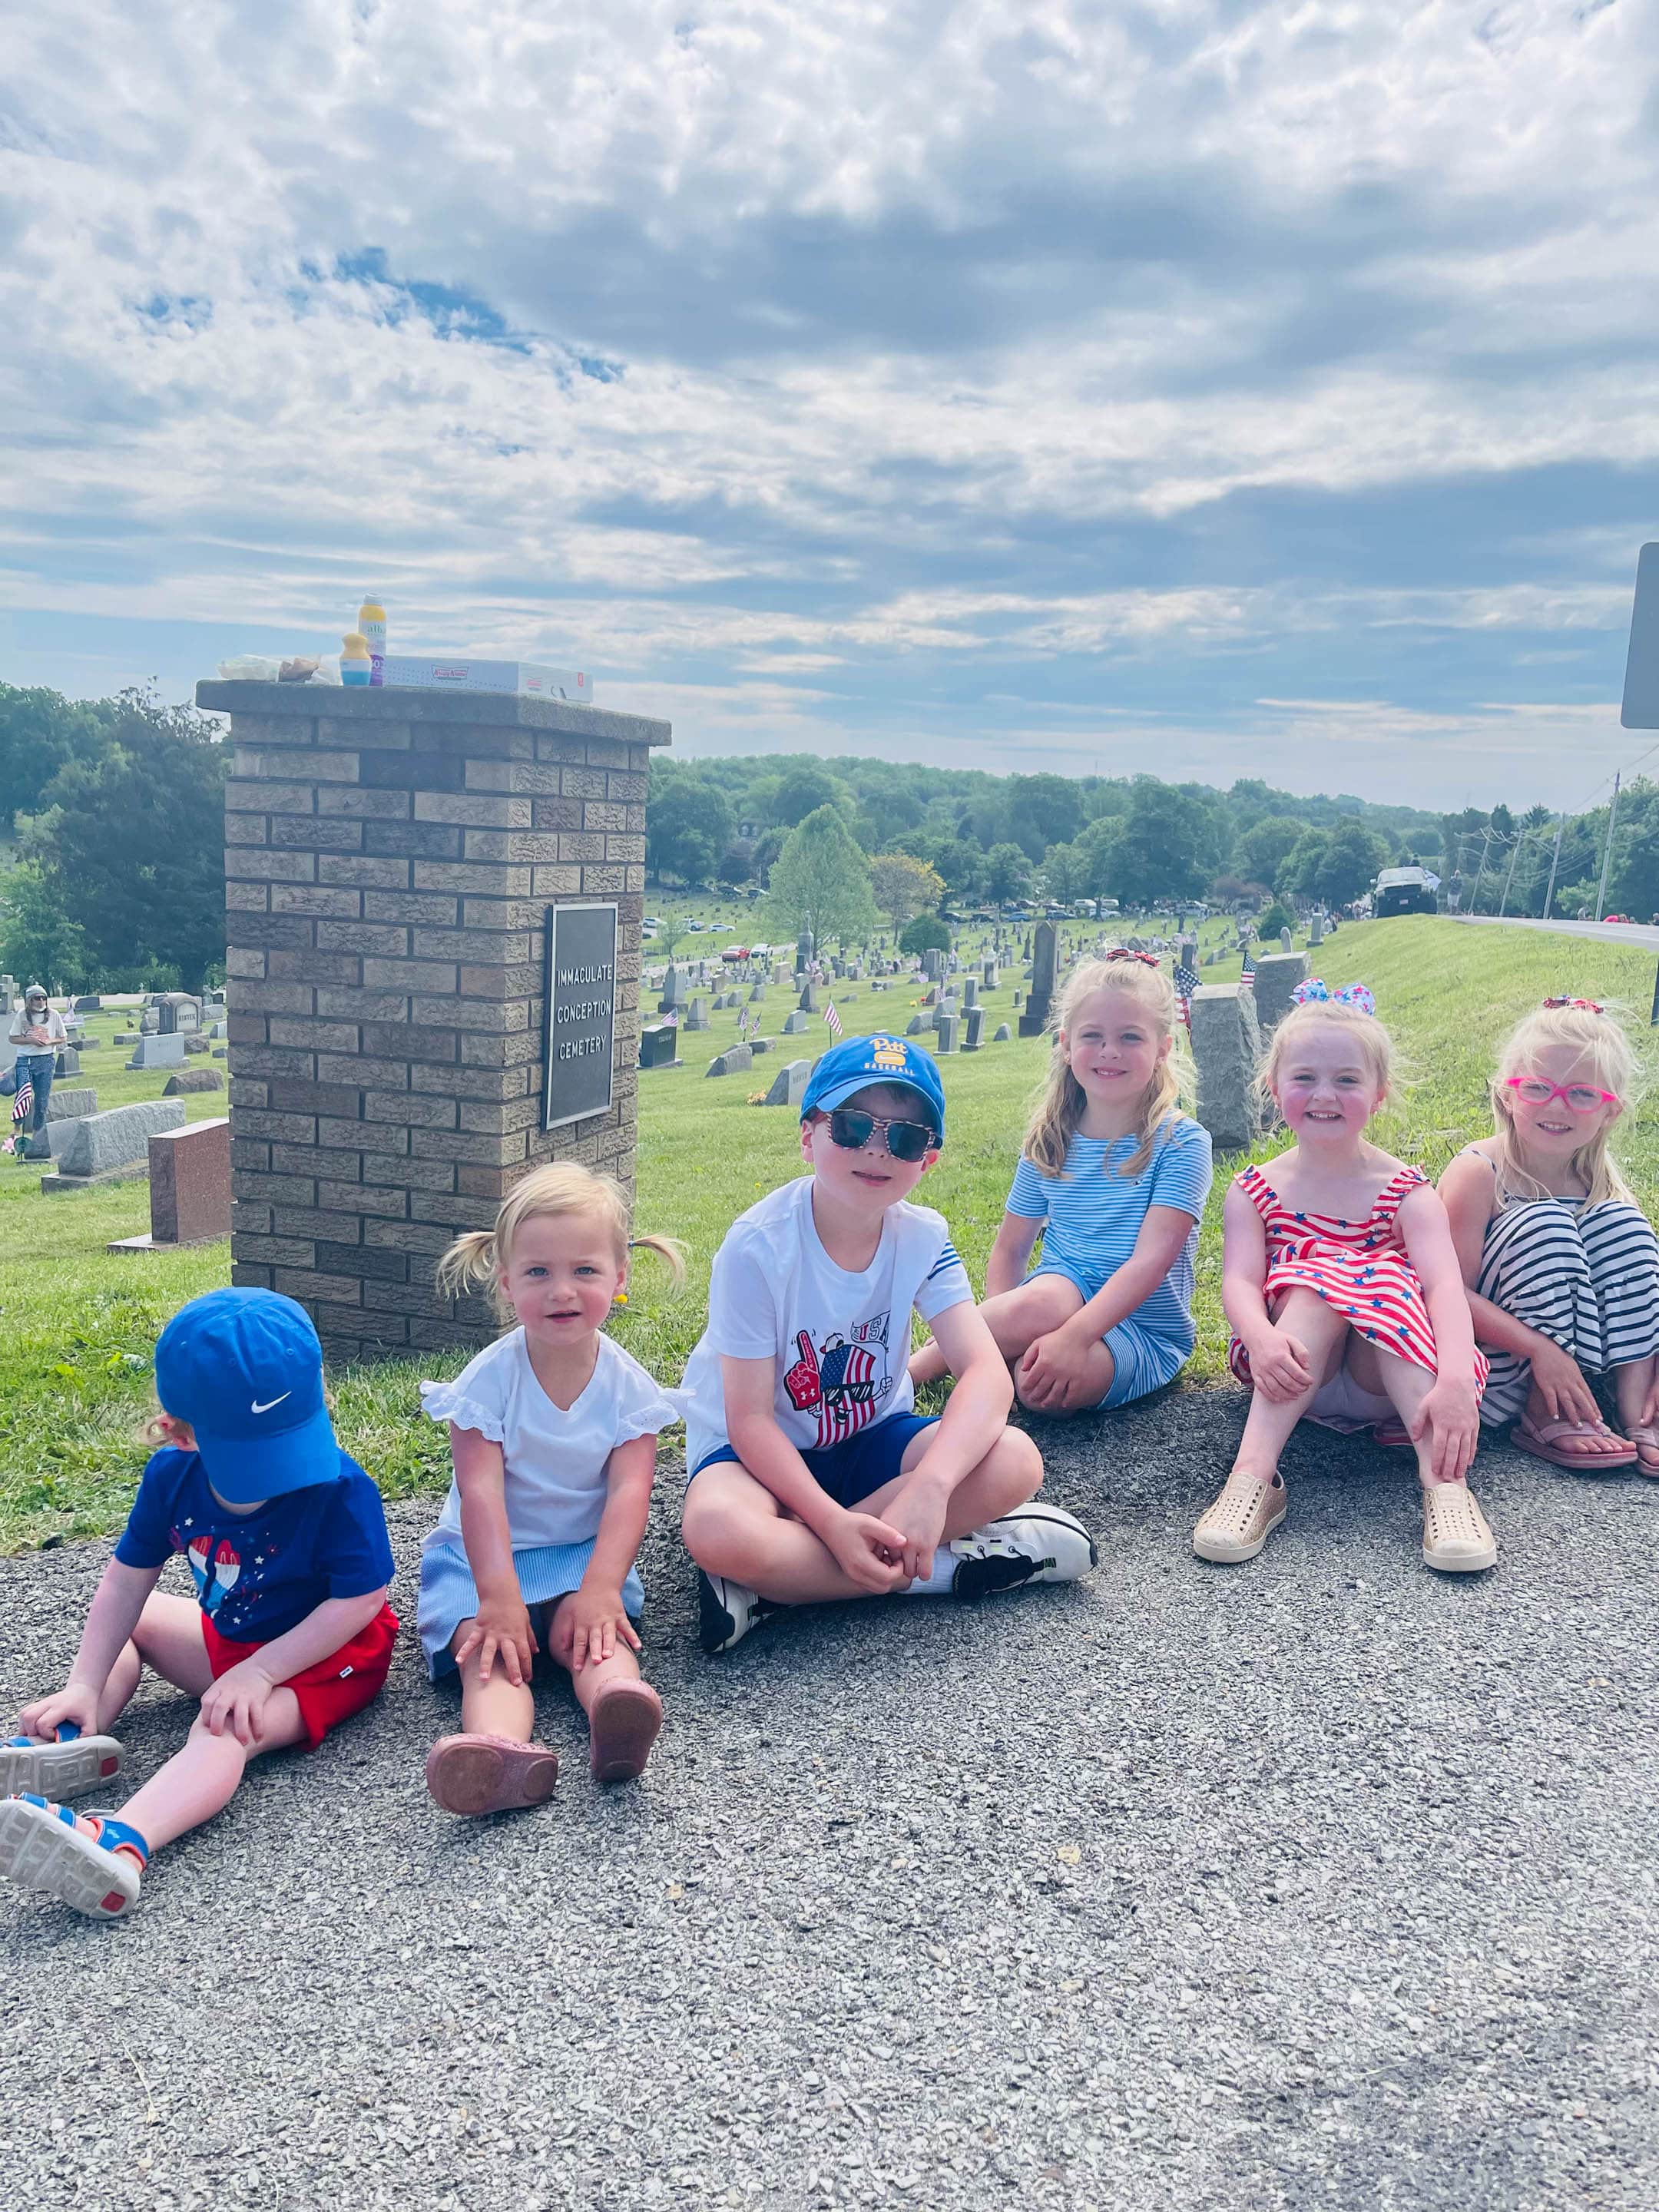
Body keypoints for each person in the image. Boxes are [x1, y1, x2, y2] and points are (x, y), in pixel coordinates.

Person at [680, 1033, 1096, 1656]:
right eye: (852, 1127)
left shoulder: (922, 1238)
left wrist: (932, 1488)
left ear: (927, 1161)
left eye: (905, 1138)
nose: (876, 1149)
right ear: (808, 1136)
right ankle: (946, 1569)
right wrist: (829, 1521)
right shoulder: (757, 1246)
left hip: (869, 1439)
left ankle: (776, 1590)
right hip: (756, 1459)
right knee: (717, 1528)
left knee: (1015, 1459)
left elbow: (985, 1374)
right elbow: (750, 1421)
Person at [0, 1290, 397, 1919]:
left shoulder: (342, 1488)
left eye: (288, 1443)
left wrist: (260, 1673)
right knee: (138, 1621)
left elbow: (361, 1600)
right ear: (178, 1433)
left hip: (329, 1660)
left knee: (223, 1728)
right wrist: (84, 1682)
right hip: (233, 1648)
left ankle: (122, 1842)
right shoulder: (170, 1477)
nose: (282, 1475)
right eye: (255, 1459)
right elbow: (125, 1583)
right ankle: (80, 1730)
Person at [1195, 991, 1496, 1574]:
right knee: (1315, 1286)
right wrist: (1259, 1336)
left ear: (1379, 1093)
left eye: (1347, 1080)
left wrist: (1457, 1378)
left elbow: (1444, 1288)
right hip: (1290, 1371)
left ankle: (1446, 1486)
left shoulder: (1406, 1192)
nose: (1325, 1095)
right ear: (1274, 1087)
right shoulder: (1255, 1189)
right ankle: (1252, 1477)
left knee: (1381, 1274)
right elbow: (1239, 1282)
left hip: (1383, 1377)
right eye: (1305, 1077)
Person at [417, 1164, 685, 1812]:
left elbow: (629, 1495)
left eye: (584, 1270)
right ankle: (497, 1752)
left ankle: (616, 1709)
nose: (562, 1291)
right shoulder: (485, 1385)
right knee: (492, 1653)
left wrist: (601, 1589)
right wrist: (498, 1598)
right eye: (538, 1272)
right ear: (507, 1282)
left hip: (580, 1558)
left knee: (589, 1635)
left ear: (620, 1277)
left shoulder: (629, 1388)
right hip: (484, 1560)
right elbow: (480, 1495)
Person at [909, 951, 1212, 1414]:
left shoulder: (1180, 1142)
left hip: (1144, 1328)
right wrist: (1004, 1333)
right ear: (1067, 1045)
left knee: (1039, 1392)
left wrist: (1073, 1338)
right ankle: (907, 1375)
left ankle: (991, 1359)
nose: (1110, 1050)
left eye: (1130, 1037)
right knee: (1044, 1303)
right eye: (1093, 1036)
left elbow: (1150, 1263)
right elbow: (1011, 1249)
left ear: (1163, 1049)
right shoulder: (1050, 1139)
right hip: (1054, 1298)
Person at [1439, 997, 1659, 1473]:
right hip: (1497, 1368)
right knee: (1545, 1223)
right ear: (1507, 1094)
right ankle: (1545, 1411)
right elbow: (1444, 1293)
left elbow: (1639, 1278)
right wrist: (1541, 1349)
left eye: (1582, 1094)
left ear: (1611, 1112)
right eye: (1538, 1087)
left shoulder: (1599, 1182)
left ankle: (1638, 1411)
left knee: (1626, 1226)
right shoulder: (1479, 1171)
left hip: (1584, 1372)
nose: (1557, 1106)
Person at [7, 984, 66, 1156]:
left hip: (46, 1060)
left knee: (41, 1101)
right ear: (28, 1001)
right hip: (25, 1060)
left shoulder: (53, 1015)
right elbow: (13, 1038)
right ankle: (16, 1130)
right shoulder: (22, 1015)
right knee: (23, 1096)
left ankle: (38, 1136)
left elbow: (63, 1037)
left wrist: (49, 1042)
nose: (40, 1001)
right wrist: (30, 1040)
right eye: (36, 998)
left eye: (43, 998)